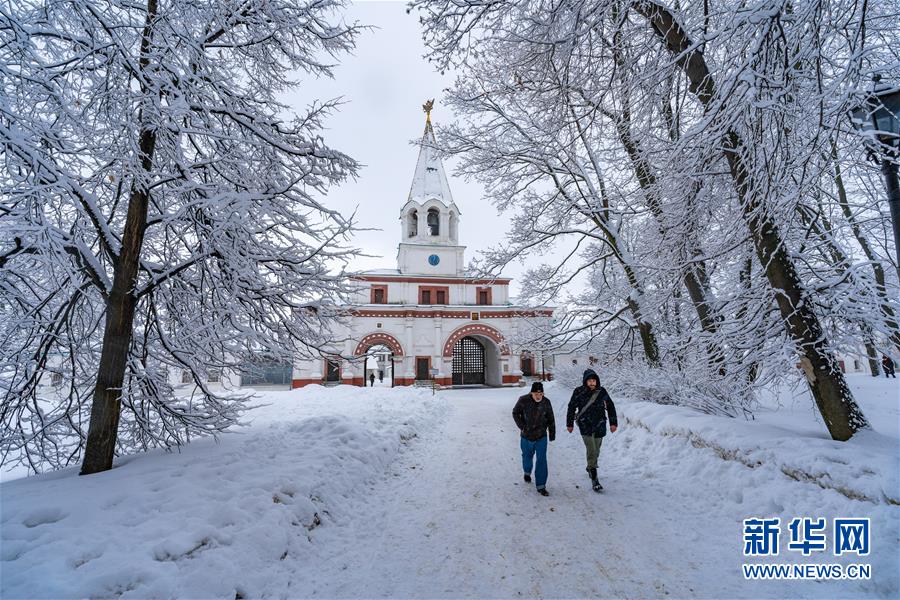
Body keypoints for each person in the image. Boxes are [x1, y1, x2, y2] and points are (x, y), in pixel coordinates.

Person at [566, 369, 617, 492]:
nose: (592, 383)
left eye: (594, 380)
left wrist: (613, 423)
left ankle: (590, 467)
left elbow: (610, 406)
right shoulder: (578, 391)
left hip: (600, 424)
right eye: (590, 380)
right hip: (585, 425)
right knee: (591, 449)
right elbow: (571, 407)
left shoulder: (601, 391)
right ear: (585, 381)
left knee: (597, 450)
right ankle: (594, 479)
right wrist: (569, 423)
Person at [512, 382, 556, 496]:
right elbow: (515, 413)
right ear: (531, 393)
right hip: (526, 435)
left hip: (541, 436)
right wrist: (522, 426)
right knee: (527, 456)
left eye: (541, 393)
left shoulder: (546, 402)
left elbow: (551, 418)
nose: (538, 396)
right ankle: (527, 471)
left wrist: (552, 434)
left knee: (542, 460)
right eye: (536, 393)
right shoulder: (523, 400)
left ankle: (541, 485)